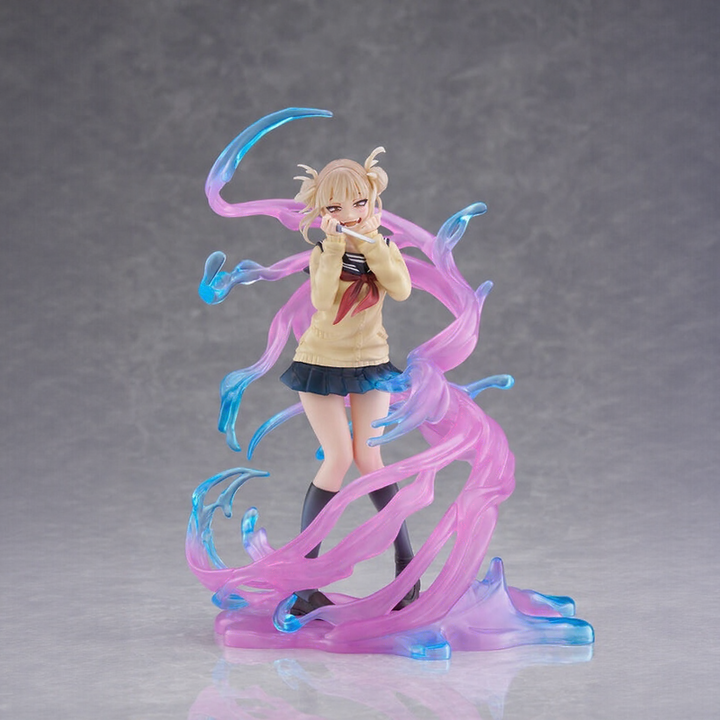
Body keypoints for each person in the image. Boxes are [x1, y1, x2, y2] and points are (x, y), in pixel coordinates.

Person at [278, 148, 420, 615]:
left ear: (372, 200)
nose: (349, 213)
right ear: (322, 211)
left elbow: (401, 288)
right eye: (335, 207)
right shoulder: (323, 252)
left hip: (370, 361)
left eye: (358, 202)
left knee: (370, 458)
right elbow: (322, 300)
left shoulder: (383, 247)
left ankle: (407, 567)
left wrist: (371, 243)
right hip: (320, 360)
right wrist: (337, 245)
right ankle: (304, 586)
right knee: (337, 457)